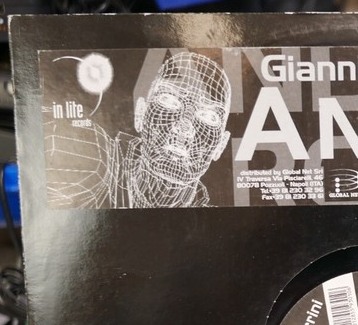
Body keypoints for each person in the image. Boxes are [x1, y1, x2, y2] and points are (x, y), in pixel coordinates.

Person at [45, 51, 231, 209]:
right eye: (169, 101)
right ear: (141, 114)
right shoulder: (94, 160)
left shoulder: (214, 222)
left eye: (209, 117)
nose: (184, 129)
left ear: (220, 146)